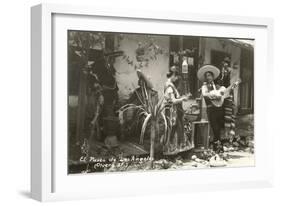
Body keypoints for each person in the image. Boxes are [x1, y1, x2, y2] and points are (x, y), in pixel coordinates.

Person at [163, 68, 191, 155]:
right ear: (173, 75)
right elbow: (173, 101)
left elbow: (175, 98)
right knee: (172, 129)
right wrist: (183, 99)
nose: (176, 79)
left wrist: (183, 97)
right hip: (172, 111)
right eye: (176, 76)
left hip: (172, 110)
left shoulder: (169, 84)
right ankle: (170, 150)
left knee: (174, 128)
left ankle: (174, 150)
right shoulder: (170, 86)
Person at [197, 65, 224, 152]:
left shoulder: (217, 86)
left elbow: (223, 93)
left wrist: (221, 94)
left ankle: (218, 148)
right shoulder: (204, 87)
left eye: (209, 75)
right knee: (214, 128)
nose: (208, 77)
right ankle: (217, 147)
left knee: (219, 128)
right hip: (211, 109)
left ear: (212, 76)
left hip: (219, 109)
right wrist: (214, 95)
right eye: (206, 76)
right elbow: (205, 95)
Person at [216, 57, 236, 141]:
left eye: (228, 63)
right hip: (220, 95)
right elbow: (217, 83)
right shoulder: (219, 73)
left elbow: (233, 84)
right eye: (225, 62)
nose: (226, 64)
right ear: (222, 63)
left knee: (229, 114)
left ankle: (228, 136)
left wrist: (233, 86)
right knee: (220, 114)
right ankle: (221, 136)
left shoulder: (230, 72)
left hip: (229, 95)